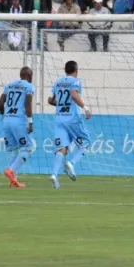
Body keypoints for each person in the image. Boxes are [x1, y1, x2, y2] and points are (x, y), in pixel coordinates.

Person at [47, 61, 91, 189]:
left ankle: (54, 175)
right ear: (76, 70)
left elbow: (50, 100)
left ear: (65, 70)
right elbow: (74, 95)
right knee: (86, 142)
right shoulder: (75, 81)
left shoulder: (58, 82)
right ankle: (71, 163)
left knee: (61, 148)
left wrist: (61, 104)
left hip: (60, 119)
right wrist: (86, 108)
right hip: (72, 118)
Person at [0, 67, 35, 189]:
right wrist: (30, 122)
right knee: (28, 148)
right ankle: (11, 170)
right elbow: (27, 104)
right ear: (30, 76)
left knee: (14, 150)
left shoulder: (9, 85)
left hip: (7, 120)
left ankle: (13, 181)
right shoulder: (29, 86)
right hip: (19, 121)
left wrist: (3, 115)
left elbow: (0, 102)